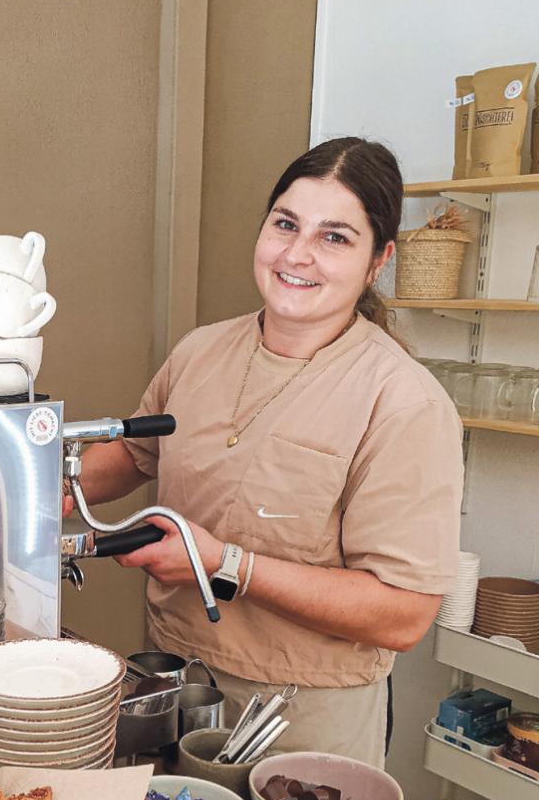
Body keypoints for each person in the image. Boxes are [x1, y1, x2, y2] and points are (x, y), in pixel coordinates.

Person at [65, 137, 464, 766]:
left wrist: (227, 564)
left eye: (335, 237)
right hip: (173, 682)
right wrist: (19, 494)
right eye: (285, 224)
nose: (297, 254)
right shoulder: (201, 351)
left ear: (378, 260)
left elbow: (403, 614)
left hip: (298, 720)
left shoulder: (403, 402)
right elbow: (133, 457)